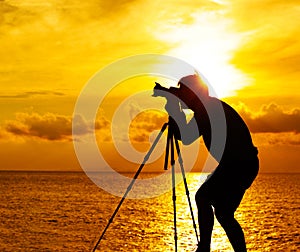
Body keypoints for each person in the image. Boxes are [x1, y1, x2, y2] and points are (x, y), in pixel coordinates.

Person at [162, 74, 259, 252]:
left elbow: (186, 136)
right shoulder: (207, 107)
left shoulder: (208, 109)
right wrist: (174, 107)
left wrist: (174, 108)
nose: (181, 98)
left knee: (204, 198)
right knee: (223, 213)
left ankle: (204, 248)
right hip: (240, 165)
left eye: (183, 93)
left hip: (238, 165)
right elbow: (186, 135)